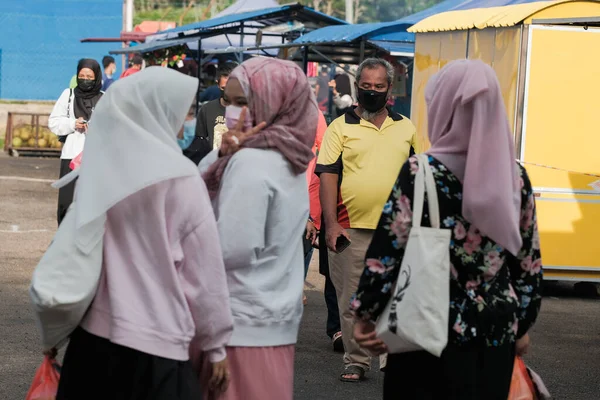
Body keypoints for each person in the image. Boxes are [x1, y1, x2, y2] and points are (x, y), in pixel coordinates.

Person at [351, 60, 543, 400]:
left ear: (442, 107)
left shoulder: (421, 172)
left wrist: (366, 312)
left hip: (422, 330)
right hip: (494, 335)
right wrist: (521, 324)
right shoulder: (515, 177)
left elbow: (386, 252)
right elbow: (528, 264)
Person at [53, 67, 234, 399]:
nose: (187, 122)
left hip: (92, 343)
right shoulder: (181, 179)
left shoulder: (101, 169)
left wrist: (55, 331)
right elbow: (204, 275)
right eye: (184, 113)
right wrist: (216, 345)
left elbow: (71, 253)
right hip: (157, 347)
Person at [196, 57, 318, 400]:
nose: (232, 113)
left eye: (243, 102)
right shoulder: (290, 157)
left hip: (235, 329)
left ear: (274, 103)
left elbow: (229, 249)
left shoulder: (251, 163)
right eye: (229, 102)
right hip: (273, 323)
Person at [315, 57, 417, 382]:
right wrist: (330, 224)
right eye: (366, 86)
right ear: (357, 86)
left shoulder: (407, 127)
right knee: (352, 301)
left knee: (395, 297)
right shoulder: (339, 127)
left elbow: (422, 173)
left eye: (379, 87)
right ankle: (356, 360)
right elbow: (327, 175)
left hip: (398, 230)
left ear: (390, 90)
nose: (372, 92)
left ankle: (392, 362)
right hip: (349, 229)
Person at [49, 58, 103, 225]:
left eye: (89, 76)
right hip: (71, 157)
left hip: (96, 158)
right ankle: (64, 243)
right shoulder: (68, 95)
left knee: (92, 203)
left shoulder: (105, 98)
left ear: (97, 77)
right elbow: (54, 122)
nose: (85, 79)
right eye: (82, 75)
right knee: (66, 203)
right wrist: (72, 124)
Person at [183, 62, 236, 164]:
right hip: (211, 163)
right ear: (217, 83)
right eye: (224, 87)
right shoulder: (207, 109)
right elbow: (198, 141)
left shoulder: (246, 111)